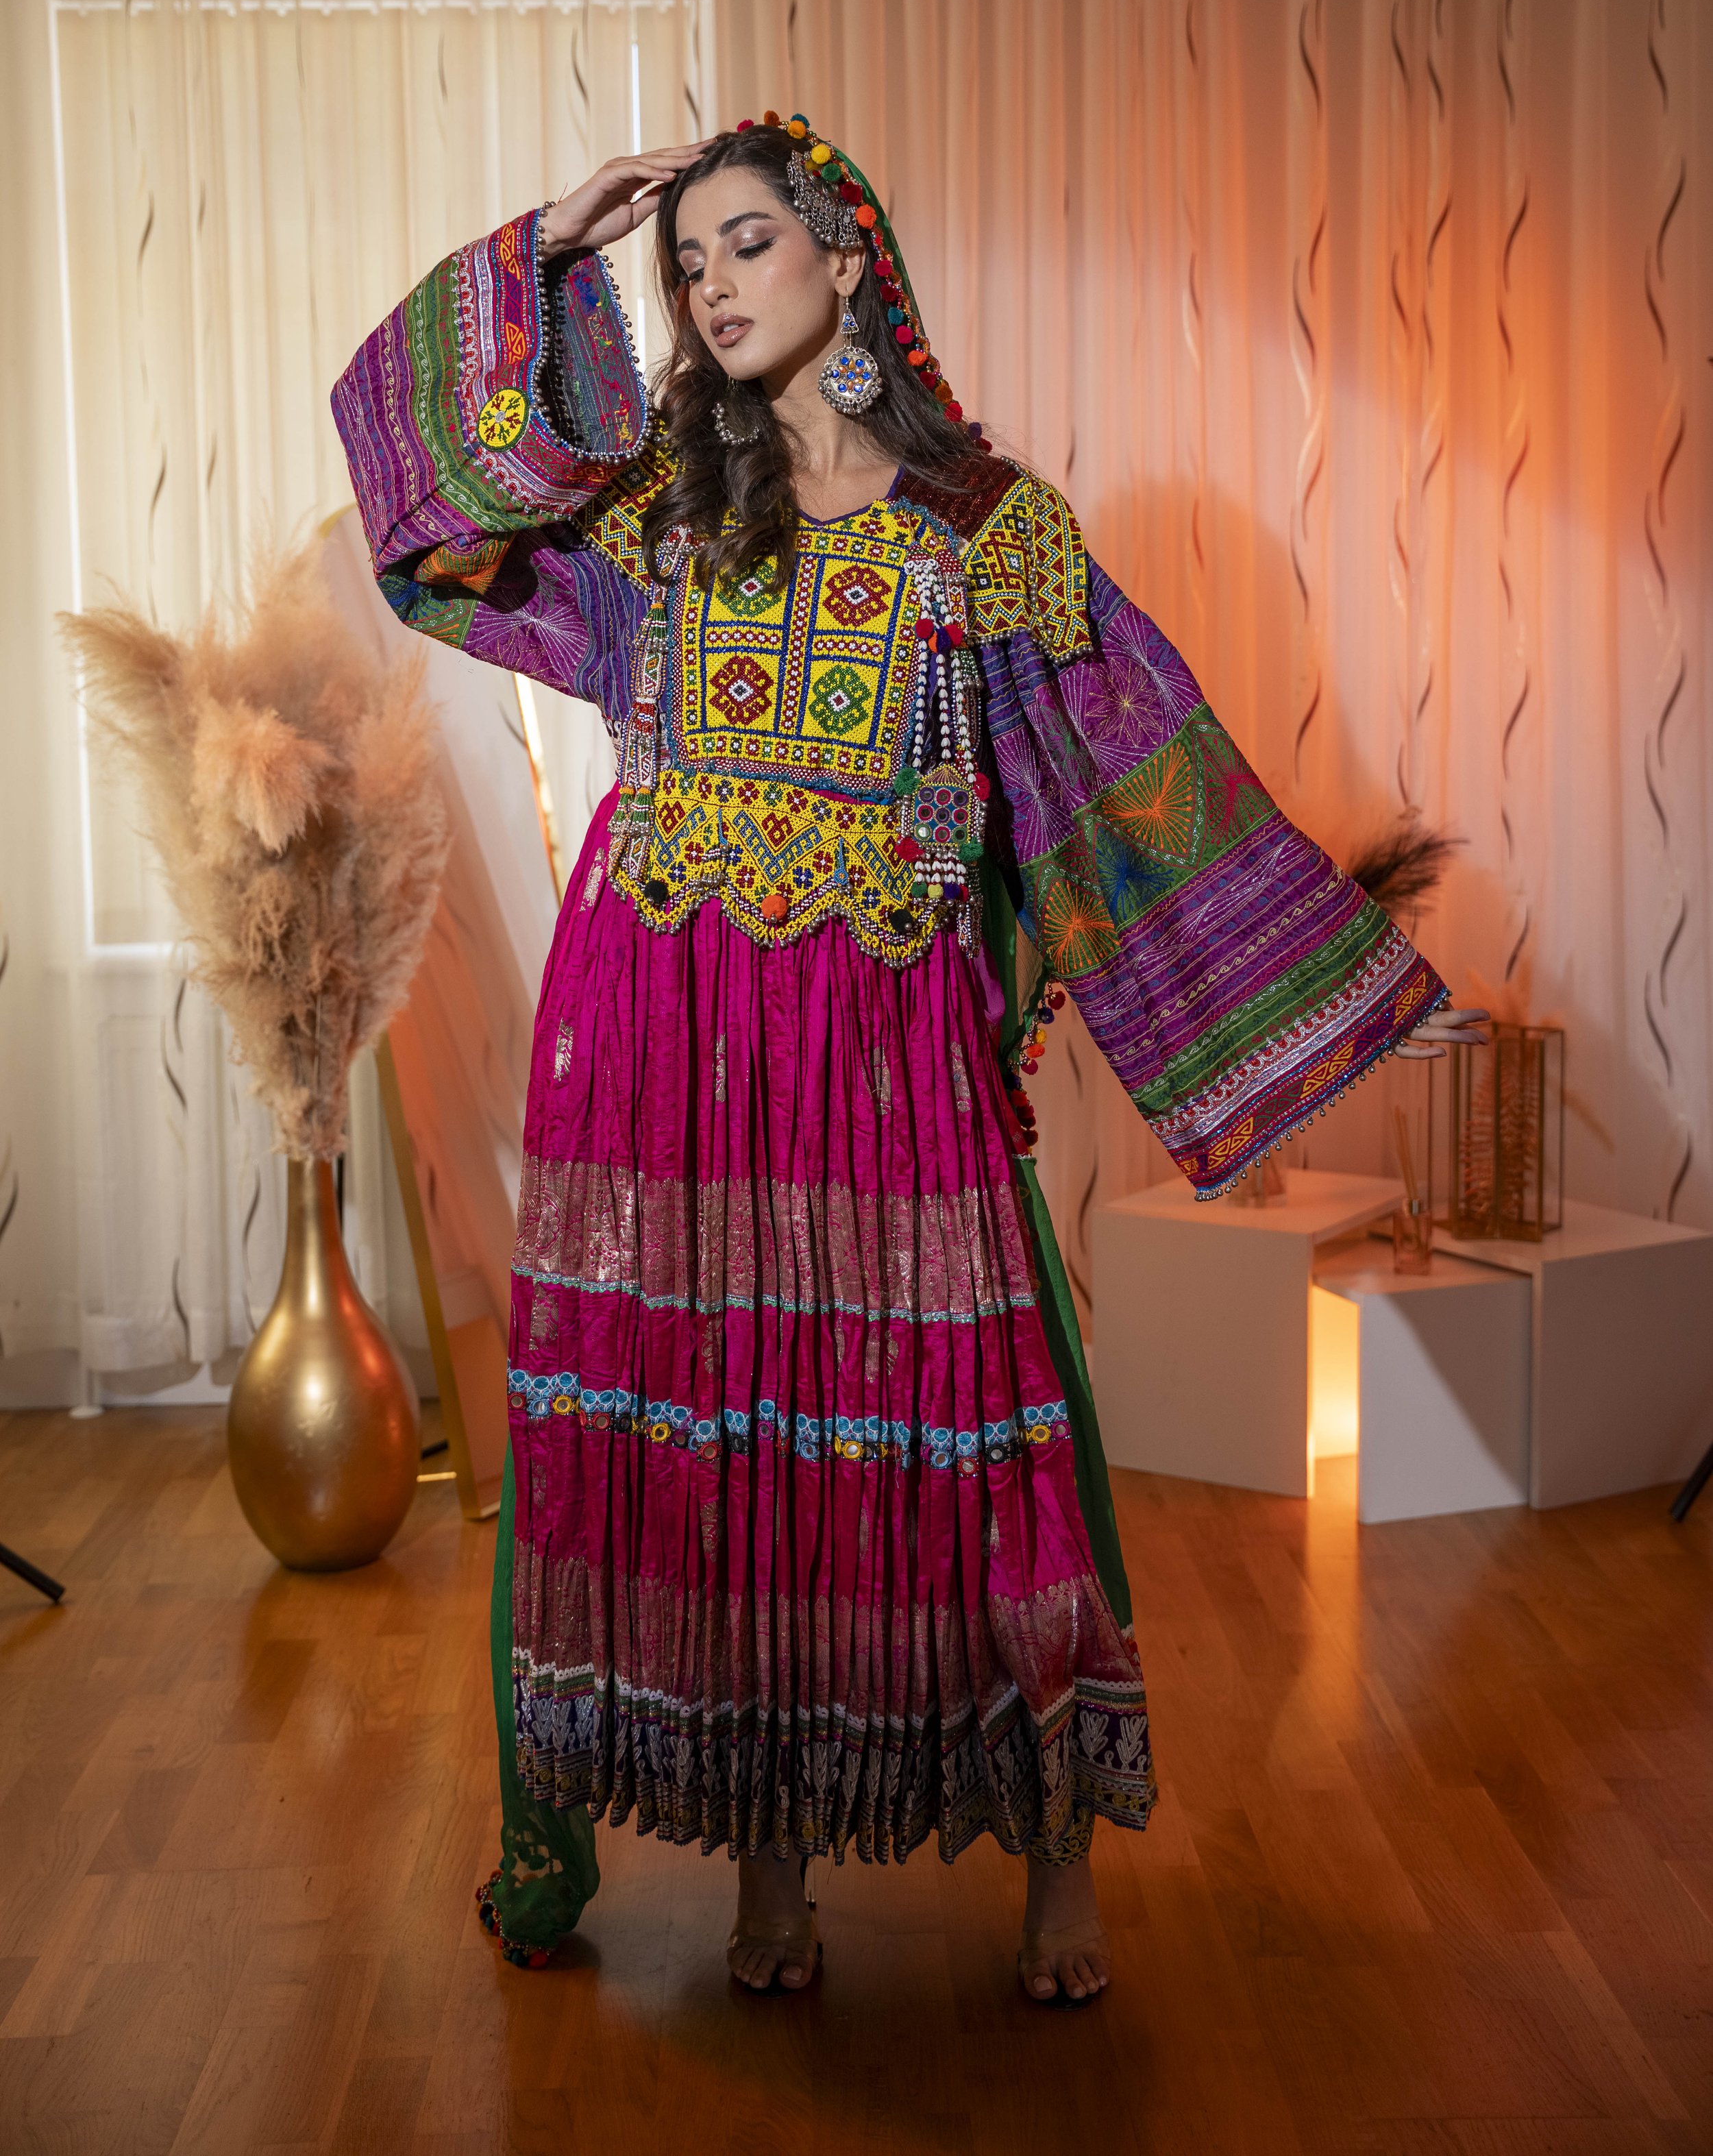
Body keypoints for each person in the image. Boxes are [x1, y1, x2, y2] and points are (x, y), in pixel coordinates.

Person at [333, 115, 1474, 2005]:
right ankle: (770, 1864)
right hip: (659, 1046)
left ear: (846, 261)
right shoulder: (653, 523)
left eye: (748, 241)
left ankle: (1052, 1875)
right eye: (686, 256)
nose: (708, 281)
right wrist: (542, 249)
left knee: (955, 1451)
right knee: (733, 1439)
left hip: (878, 1040)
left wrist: (1052, 1000)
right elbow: (429, 526)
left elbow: (1100, 781)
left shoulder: (989, 536)